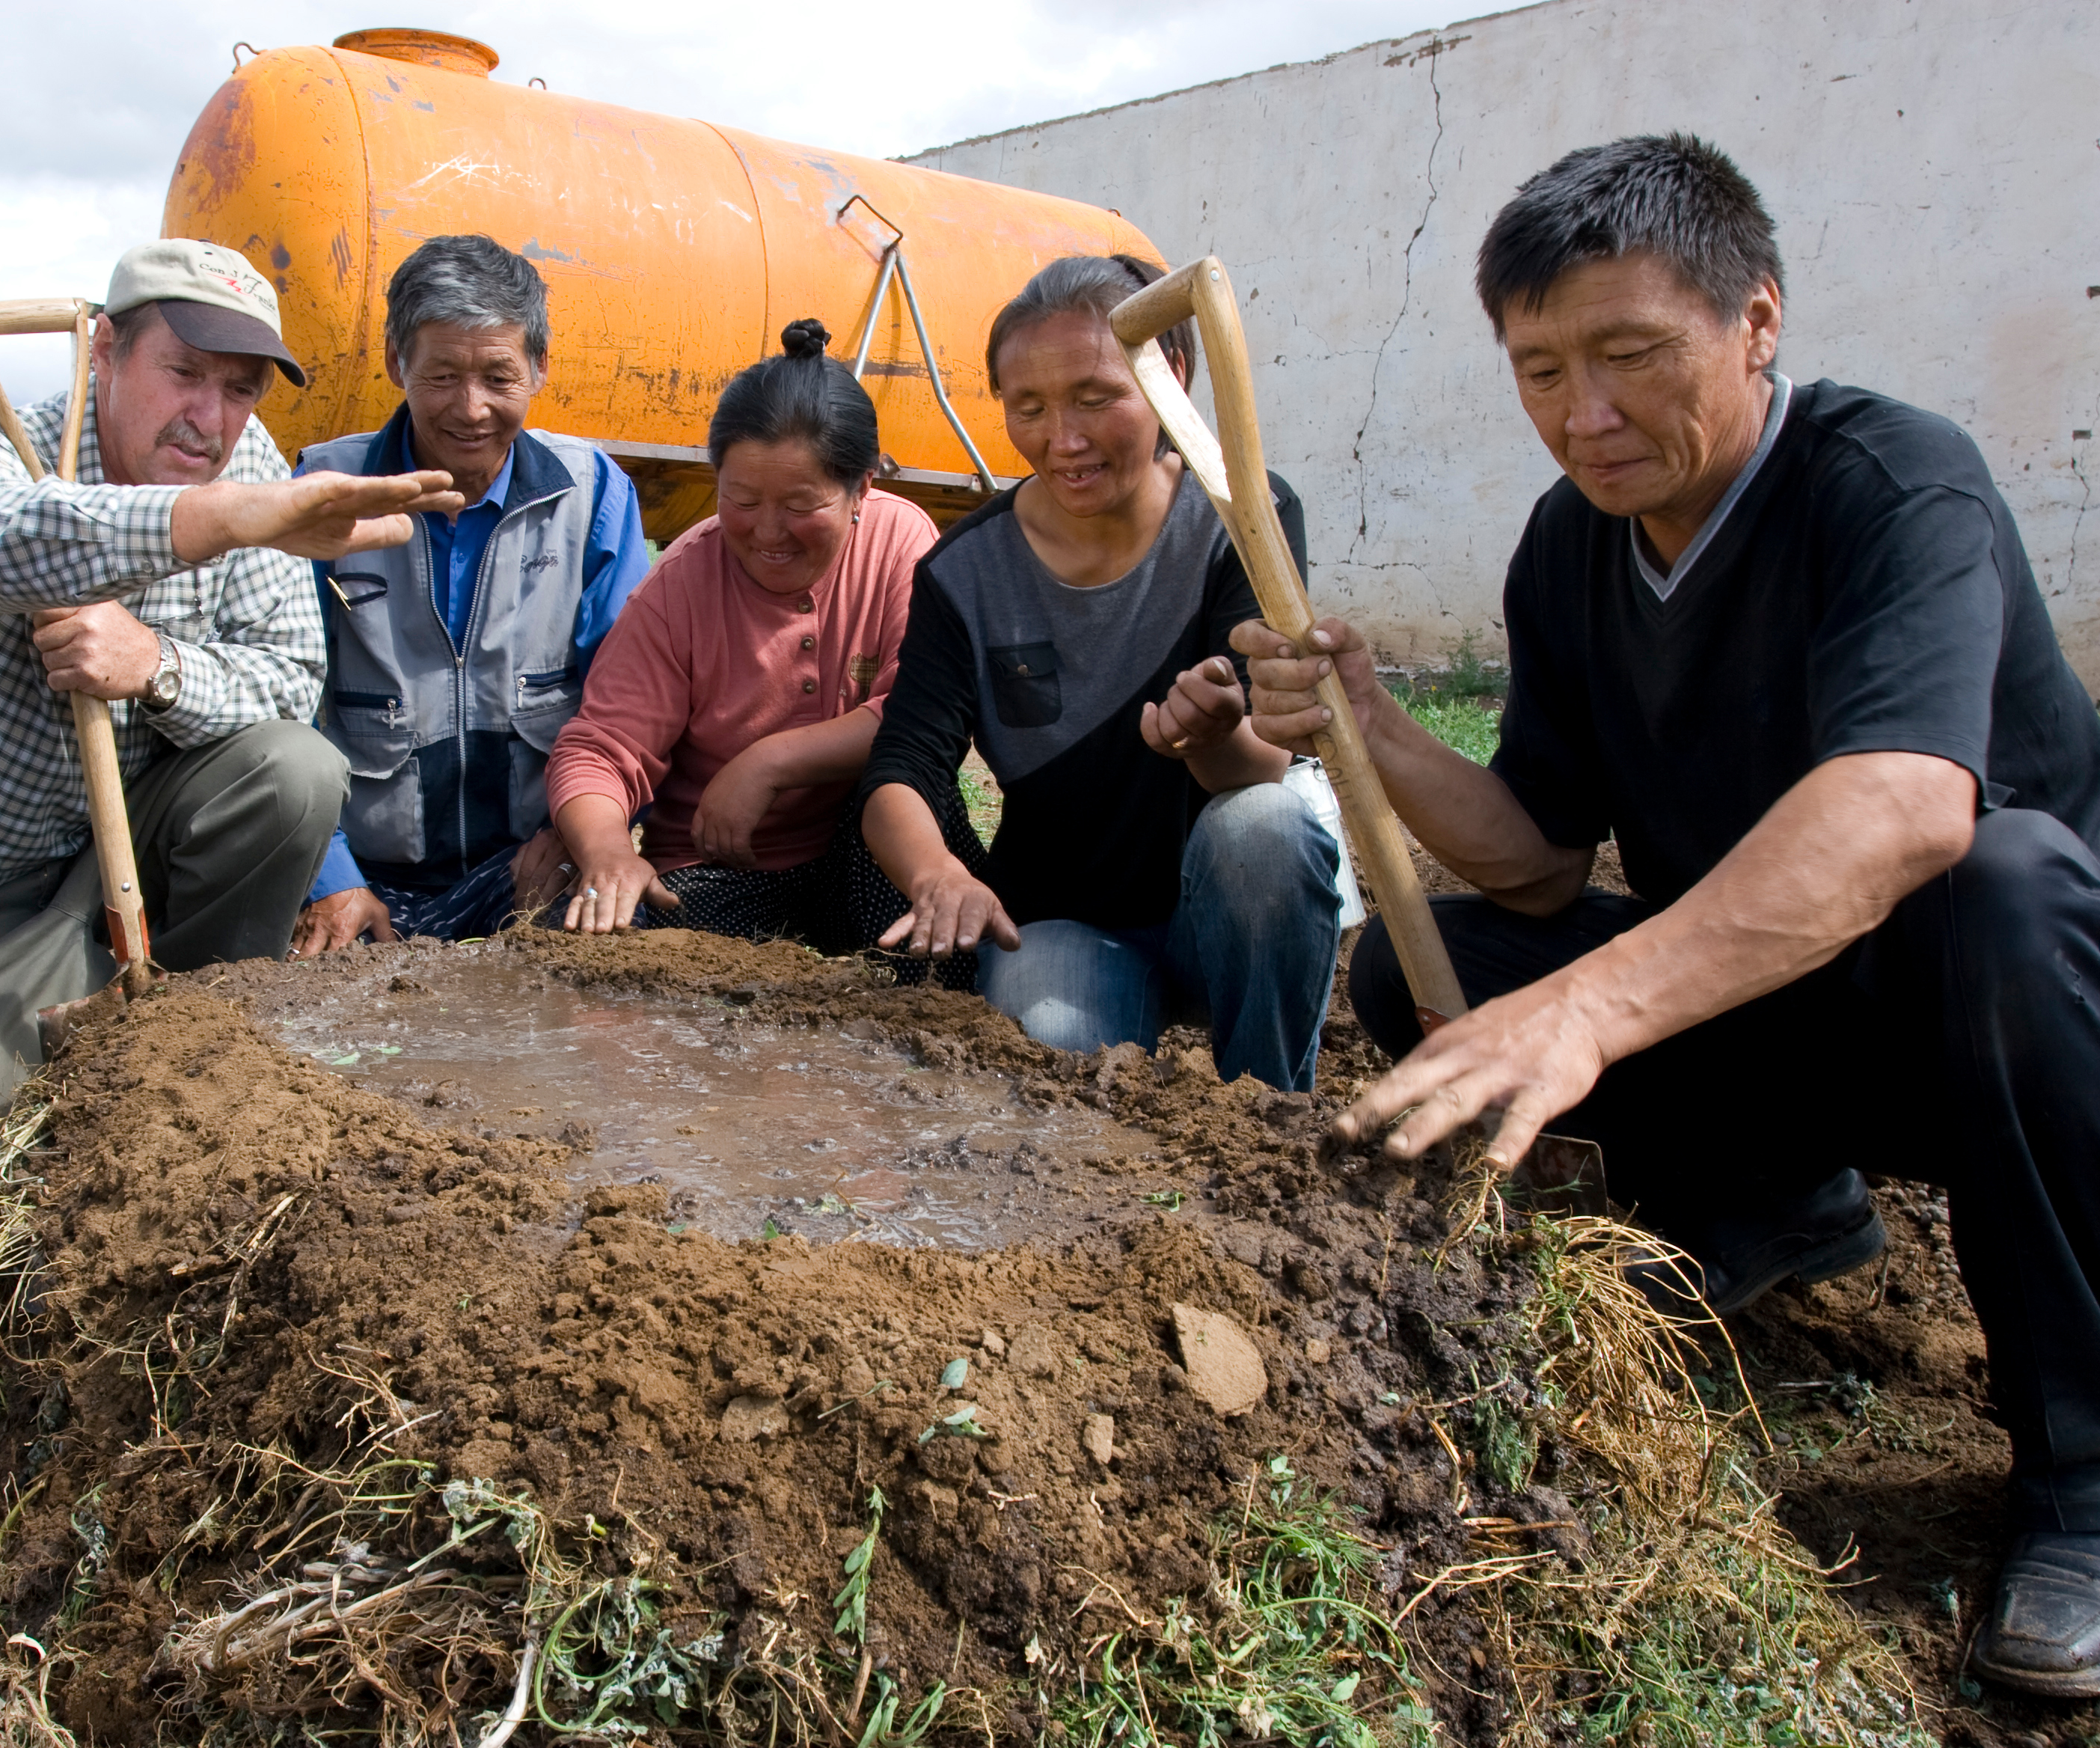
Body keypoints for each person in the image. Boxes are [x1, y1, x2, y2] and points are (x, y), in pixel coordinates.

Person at [1243, 135, 2100, 1697]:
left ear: (1754, 321)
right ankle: (1775, 1198)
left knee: (2001, 882)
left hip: (1998, 1036)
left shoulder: (1891, 485)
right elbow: (1535, 861)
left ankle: (2083, 1476)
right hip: (1777, 1012)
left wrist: (1587, 1011)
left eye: (1630, 354)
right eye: (1540, 370)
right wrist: (1372, 725)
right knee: (1438, 971)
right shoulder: (1569, 547)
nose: (1584, 413)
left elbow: (1905, 807)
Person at [0, 240, 453, 1135]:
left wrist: (158, 666)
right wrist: (223, 519)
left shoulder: (248, 462)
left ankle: (205, 1015)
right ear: (105, 351)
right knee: (0, 1126)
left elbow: (288, 680)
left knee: (293, 768)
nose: (209, 418)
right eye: (184, 372)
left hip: (141, 852)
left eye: (239, 389)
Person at [858, 255, 1345, 1087]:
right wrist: (937, 874)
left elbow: (1266, 761)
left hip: (1221, 912)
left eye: (1094, 397)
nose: (1064, 440)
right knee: (1056, 1058)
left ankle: (1272, 1116)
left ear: (1170, 375)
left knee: (1264, 828)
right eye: (1029, 408)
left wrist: (1210, 736)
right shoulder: (965, 573)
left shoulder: (1244, 518)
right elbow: (901, 768)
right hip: (1064, 922)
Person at [545, 320, 979, 956]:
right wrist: (609, 854)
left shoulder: (901, 542)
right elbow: (599, 750)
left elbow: (919, 714)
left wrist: (770, 762)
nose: (769, 532)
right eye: (742, 501)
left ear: (861, 488)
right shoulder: (681, 583)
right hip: (720, 873)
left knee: (913, 803)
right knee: (598, 949)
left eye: (801, 506)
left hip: (867, 854)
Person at [294, 234, 652, 946]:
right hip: (365, 875)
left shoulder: (591, 495)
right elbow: (284, 705)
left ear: (540, 368)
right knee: (297, 994)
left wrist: (574, 835)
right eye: (442, 375)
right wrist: (332, 877)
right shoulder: (323, 494)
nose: (471, 408)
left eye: (498, 376)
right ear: (396, 363)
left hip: (528, 863)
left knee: (607, 960)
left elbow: (633, 702)